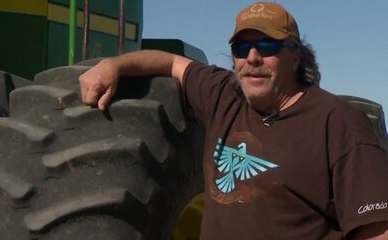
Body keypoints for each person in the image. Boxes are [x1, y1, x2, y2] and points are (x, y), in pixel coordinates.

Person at [79, 2, 388, 239]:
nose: (252, 57)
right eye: (242, 48)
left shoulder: (340, 124)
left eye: (267, 46)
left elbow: (375, 232)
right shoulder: (223, 96)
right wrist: (113, 66)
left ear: (296, 56)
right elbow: (172, 62)